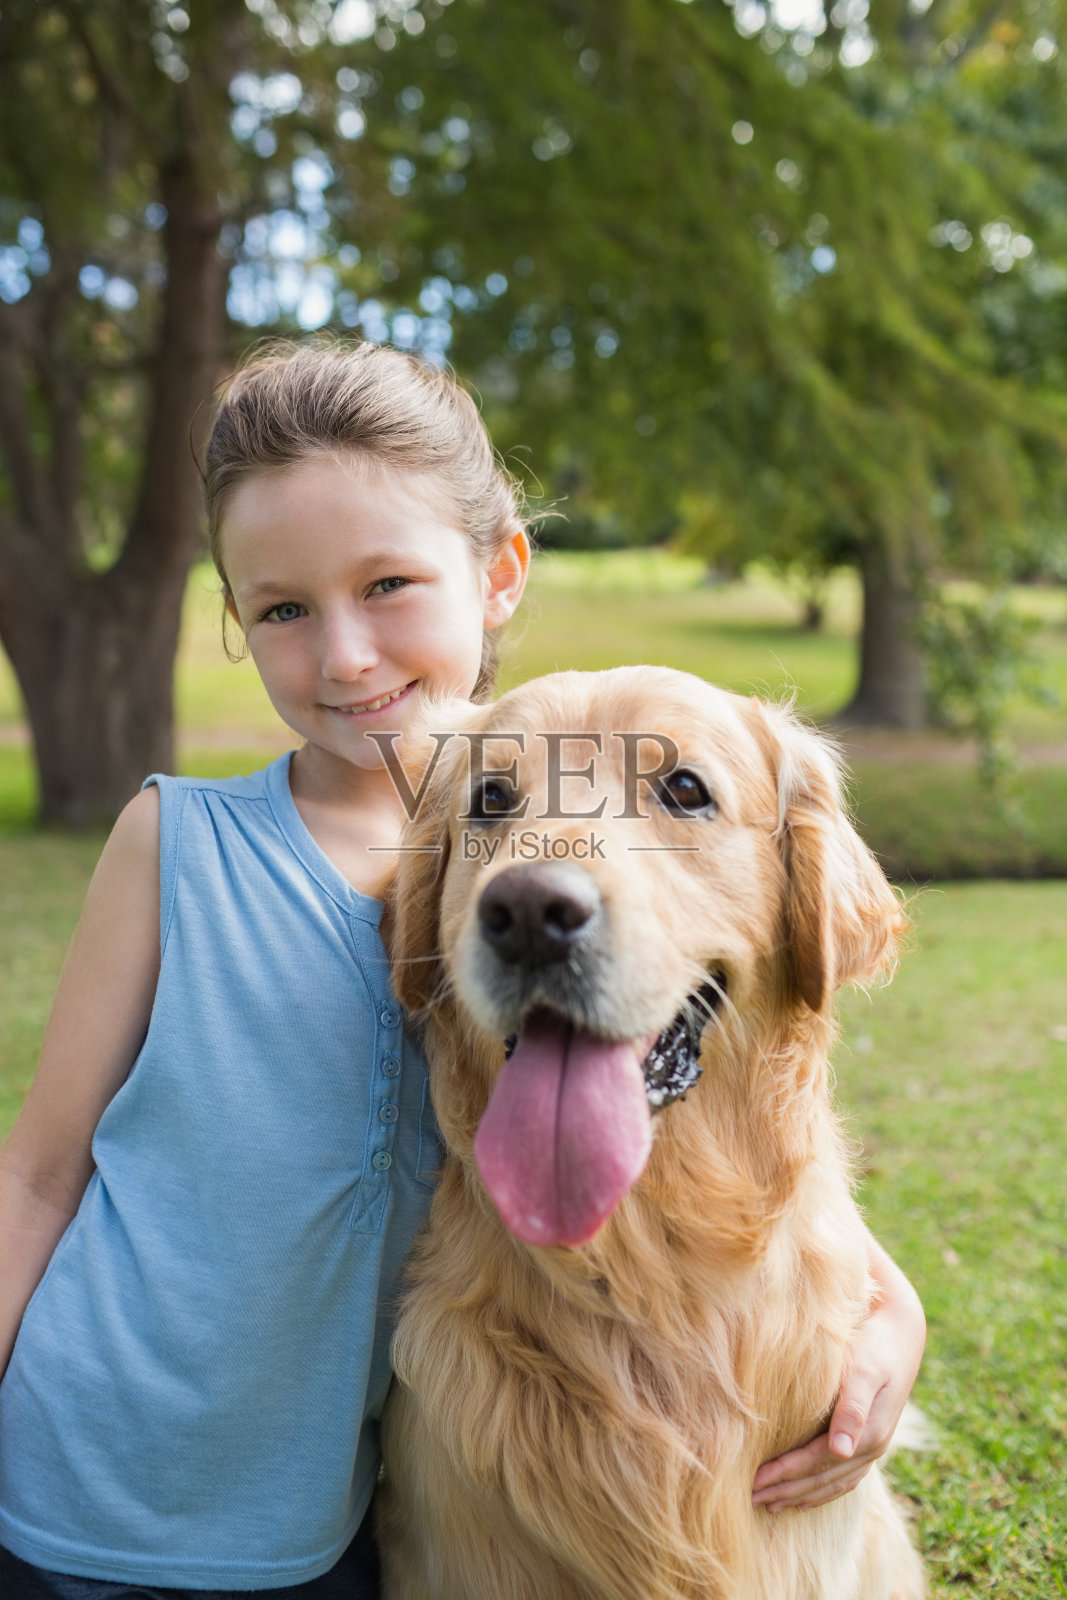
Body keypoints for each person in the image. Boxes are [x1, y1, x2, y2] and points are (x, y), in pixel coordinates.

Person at [0, 339, 924, 1598]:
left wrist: (888, 1314)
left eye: (387, 583)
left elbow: (767, 1151)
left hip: (309, 1539)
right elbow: (37, 1173)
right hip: (90, 1477)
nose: (344, 657)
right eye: (280, 608)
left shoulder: (501, 849)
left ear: (497, 573)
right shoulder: (185, 843)